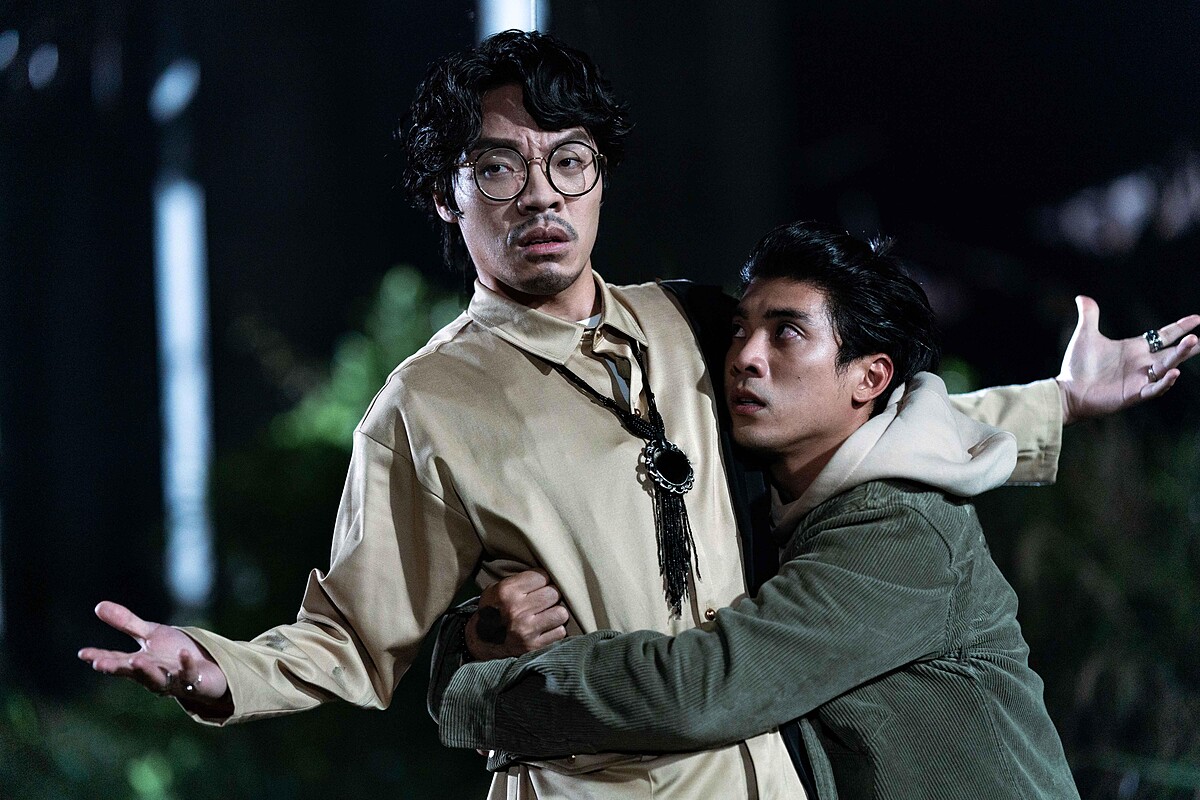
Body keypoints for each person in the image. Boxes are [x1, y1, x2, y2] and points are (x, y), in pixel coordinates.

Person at [77, 31, 1196, 800]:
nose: (542, 195)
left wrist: (1062, 399)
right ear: (446, 197)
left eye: (569, 162)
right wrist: (219, 669)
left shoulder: (696, 321)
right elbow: (356, 634)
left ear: (602, 175)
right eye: (498, 169)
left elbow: (862, 412)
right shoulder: (423, 406)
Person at [433, 221, 1083, 798]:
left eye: (787, 334)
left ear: (870, 378)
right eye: (741, 329)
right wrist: (474, 638)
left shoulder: (901, 527)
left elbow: (704, 688)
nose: (745, 356)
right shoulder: (782, 498)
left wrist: (474, 697)